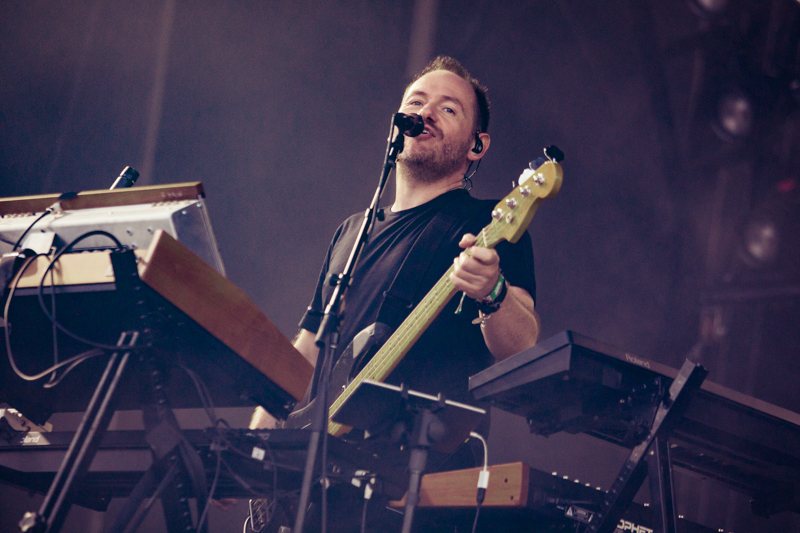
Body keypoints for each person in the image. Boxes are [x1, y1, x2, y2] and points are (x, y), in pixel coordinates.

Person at [252, 56, 539, 434]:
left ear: (477, 145)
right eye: (416, 102)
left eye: (448, 109)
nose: (426, 113)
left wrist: (493, 290)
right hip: (322, 459)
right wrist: (255, 441)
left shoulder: (489, 223)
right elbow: (307, 352)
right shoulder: (351, 232)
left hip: (419, 458)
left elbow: (523, 346)